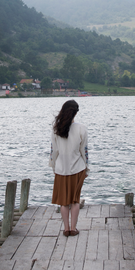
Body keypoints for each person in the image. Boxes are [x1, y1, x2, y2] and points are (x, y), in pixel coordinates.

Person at [49, 99, 88, 237]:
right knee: (75, 200)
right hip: (77, 168)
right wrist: (87, 167)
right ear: (75, 113)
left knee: (64, 202)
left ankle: (66, 229)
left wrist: (54, 167)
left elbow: (54, 152)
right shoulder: (81, 128)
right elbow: (84, 151)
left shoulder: (56, 129)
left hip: (61, 169)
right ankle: (73, 228)